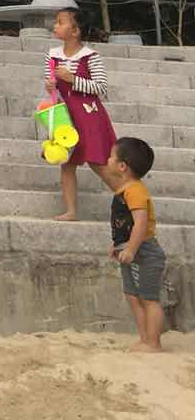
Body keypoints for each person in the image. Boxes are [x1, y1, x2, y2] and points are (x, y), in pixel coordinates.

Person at [47, 7, 118, 221]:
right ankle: (71, 211)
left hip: (88, 115)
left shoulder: (90, 56)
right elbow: (51, 85)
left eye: (60, 22)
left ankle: (130, 200)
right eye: (56, 22)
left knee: (98, 161)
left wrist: (72, 79)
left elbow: (101, 87)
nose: (55, 26)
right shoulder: (53, 55)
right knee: (67, 162)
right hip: (66, 116)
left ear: (75, 30)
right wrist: (50, 86)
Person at [107, 137, 164, 352]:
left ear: (122, 166)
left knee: (149, 298)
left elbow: (140, 223)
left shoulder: (135, 190)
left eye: (111, 157)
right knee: (132, 295)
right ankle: (144, 338)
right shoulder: (124, 190)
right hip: (129, 249)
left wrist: (130, 248)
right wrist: (118, 245)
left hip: (145, 250)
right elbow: (123, 223)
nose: (108, 160)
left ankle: (153, 343)